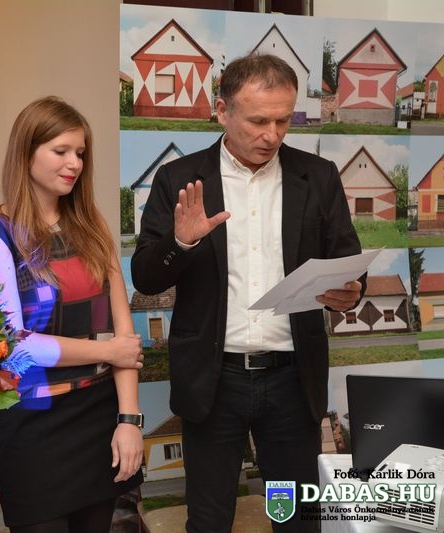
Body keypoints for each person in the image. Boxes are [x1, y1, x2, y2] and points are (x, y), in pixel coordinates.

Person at [131, 54, 365, 532]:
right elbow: (145, 278)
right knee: (210, 519)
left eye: (283, 120)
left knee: (293, 517)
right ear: (222, 111)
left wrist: (351, 292)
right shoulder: (180, 180)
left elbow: (346, 261)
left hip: (292, 381)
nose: (272, 135)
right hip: (213, 381)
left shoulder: (318, 176)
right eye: (258, 121)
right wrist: (182, 242)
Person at [0, 96, 144, 533]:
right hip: (32, 426)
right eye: (60, 151)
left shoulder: (93, 227)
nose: (74, 164)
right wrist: (108, 352)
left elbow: (124, 335)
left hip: (99, 419)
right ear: (26, 153)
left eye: (80, 153)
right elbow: (13, 346)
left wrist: (129, 421)